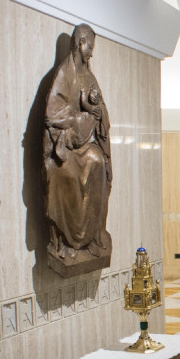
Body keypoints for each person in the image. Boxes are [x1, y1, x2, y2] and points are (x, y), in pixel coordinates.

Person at [44, 24, 113, 271]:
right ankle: (69, 241)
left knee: (97, 162)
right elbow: (52, 115)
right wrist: (79, 118)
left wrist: (97, 111)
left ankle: (91, 236)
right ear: (80, 42)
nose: (91, 53)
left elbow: (101, 110)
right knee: (68, 176)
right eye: (90, 46)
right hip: (66, 148)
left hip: (85, 145)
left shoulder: (90, 76)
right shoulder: (65, 74)